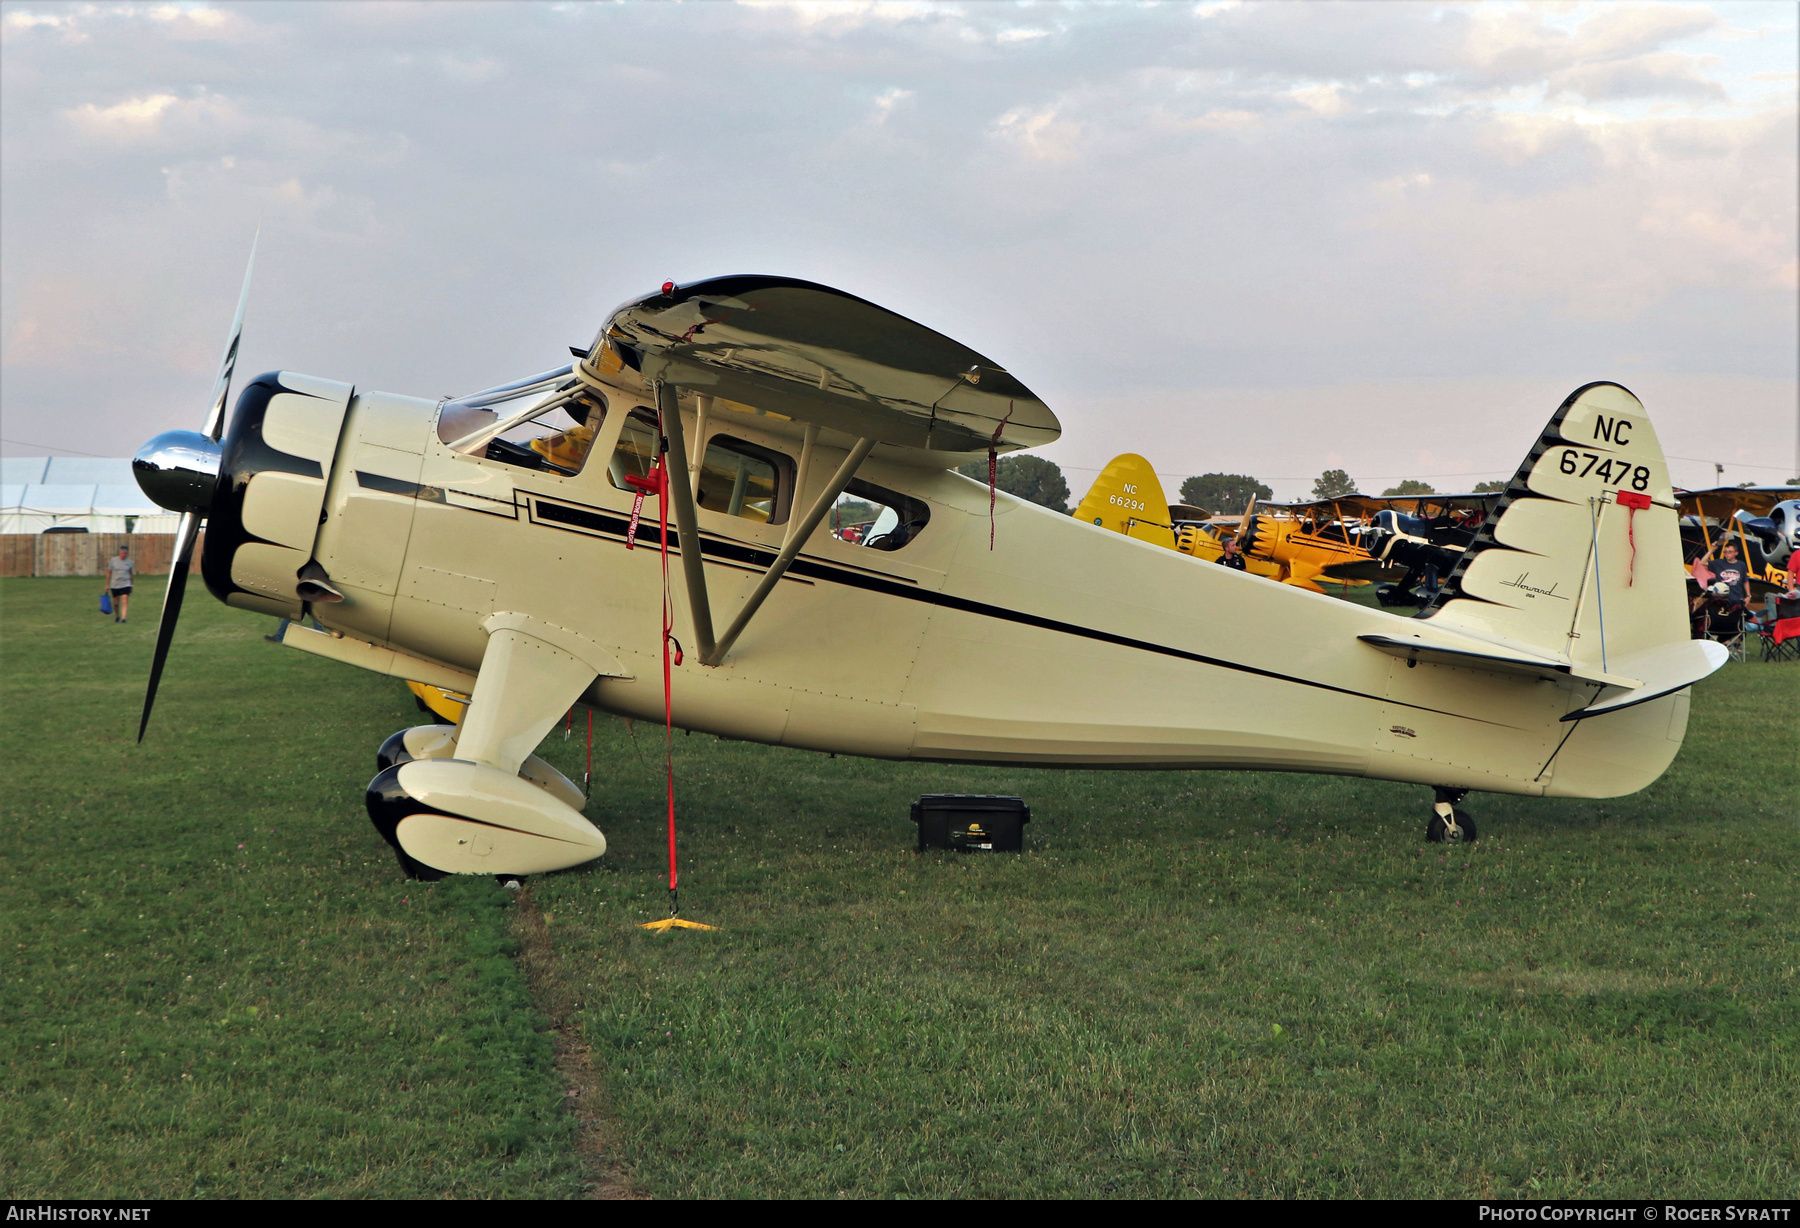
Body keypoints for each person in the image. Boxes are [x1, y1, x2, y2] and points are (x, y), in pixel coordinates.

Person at [105, 545, 134, 623]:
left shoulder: (130, 562)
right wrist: (107, 584)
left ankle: (123, 618)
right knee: (116, 602)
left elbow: (131, 574)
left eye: (125, 554)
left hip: (126, 583)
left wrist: (131, 584)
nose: (123, 555)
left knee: (124, 598)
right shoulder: (113, 561)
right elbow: (109, 573)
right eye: (122, 553)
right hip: (115, 584)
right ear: (119, 553)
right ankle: (117, 616)